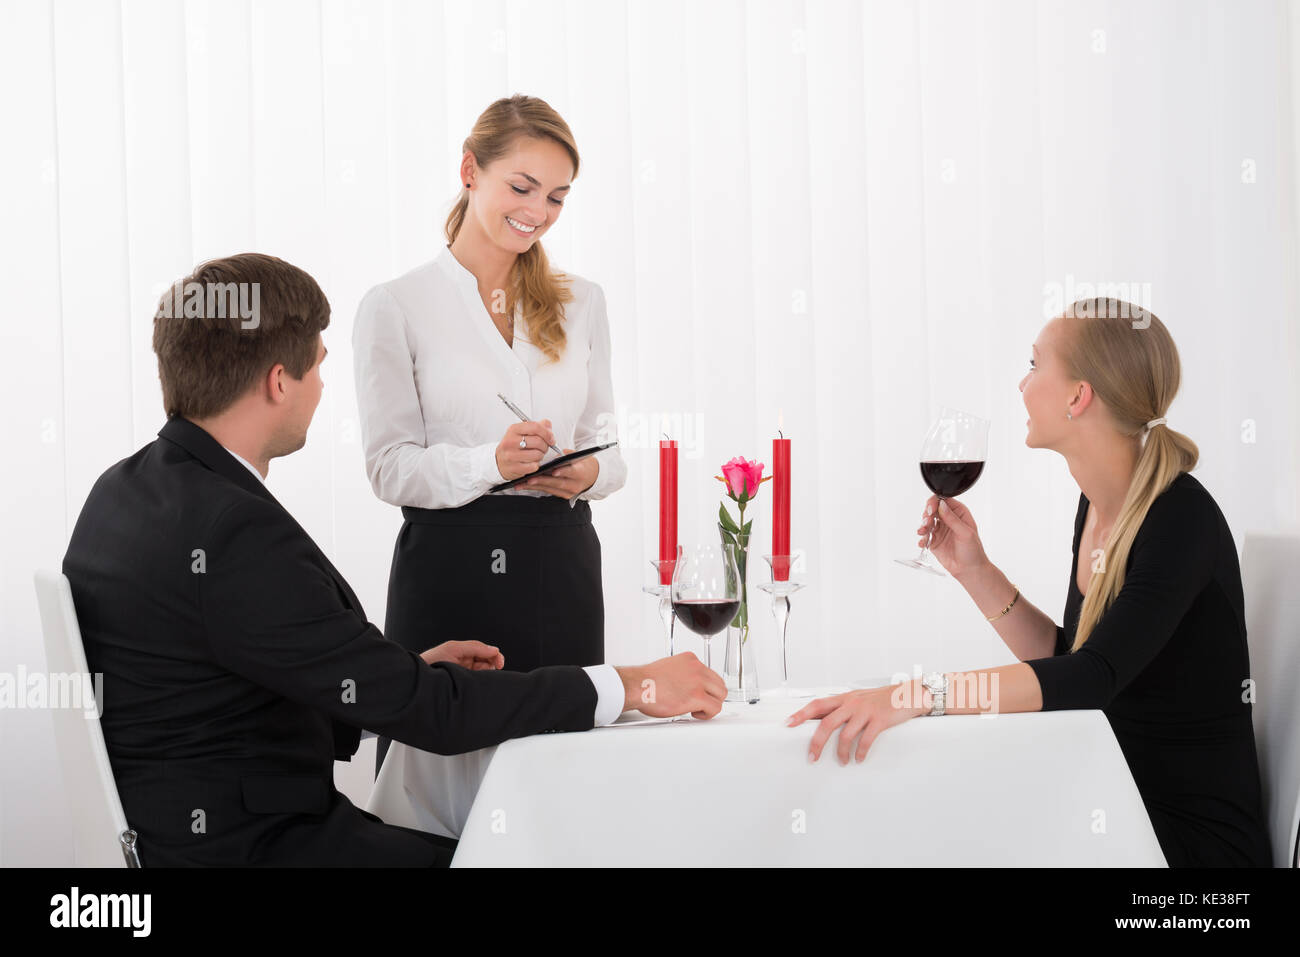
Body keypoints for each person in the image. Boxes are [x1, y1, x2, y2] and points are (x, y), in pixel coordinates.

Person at [61, 252, 723, 867]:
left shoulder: (123, 492)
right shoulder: (234, 530)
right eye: (318, 365)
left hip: (181, 833)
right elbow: (436, 715)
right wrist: (632, 684)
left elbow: (224, 679)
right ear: (278, 381)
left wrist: (402, 670)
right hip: (257, 848)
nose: (324, 387)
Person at [788, 298, 1272, 868]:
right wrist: (976, 570)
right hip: (1114, 809)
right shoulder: (1096, 508)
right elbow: (1074, 660)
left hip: (1190, 854)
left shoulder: (1179, 518)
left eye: (1036, 364)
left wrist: (918, 695)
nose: (1022, 383)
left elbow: (1092, 680)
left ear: (1078, 396)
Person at [352, 95, 627, 776]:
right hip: (451, 567)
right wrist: (491, 462)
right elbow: (389, 467)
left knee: (558, 774)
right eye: (523, 186)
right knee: (437, 779)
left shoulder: (582, 300)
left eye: (558, 196)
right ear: (470, 170)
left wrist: (584, 473)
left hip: (561, 564)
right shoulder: (396, 305)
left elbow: (610, 448)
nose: (539, 210)